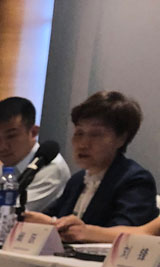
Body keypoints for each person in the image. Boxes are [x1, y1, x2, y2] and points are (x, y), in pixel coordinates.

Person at [24, 90, 157, 232]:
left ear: (121, 139)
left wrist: (55, 224)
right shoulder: (77, 181)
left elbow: (124, 234)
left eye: (96, 135)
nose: (83, 144)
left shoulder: (135, 180)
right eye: (79, 133)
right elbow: (48, 217)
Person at [0, 96, 70, 212]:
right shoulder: (7, 169)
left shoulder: (52, 169)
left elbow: (13, 213)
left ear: (33, 132)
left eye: (11, 136)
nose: (2, 146)